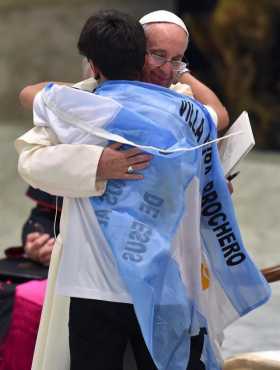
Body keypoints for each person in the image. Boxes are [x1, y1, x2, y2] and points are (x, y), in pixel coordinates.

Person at [16, 9, 270, 370]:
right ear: (135, 51)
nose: (166, 70)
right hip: (96, 278)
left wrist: (206, 184)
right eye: (157, 55)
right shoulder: (84, 100)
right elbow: (32, 162)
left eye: (178, 60)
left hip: (171, 278)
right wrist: (94, 165)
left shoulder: (186, 107)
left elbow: (218, 119)